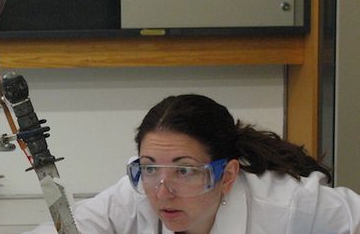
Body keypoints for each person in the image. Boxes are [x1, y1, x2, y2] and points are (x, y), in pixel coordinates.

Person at [25, 94, 360, 234]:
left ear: (227, 175)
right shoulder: (138, 193)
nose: (162, 191)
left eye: (184, 171)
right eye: (150, 167)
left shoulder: (287, 204)